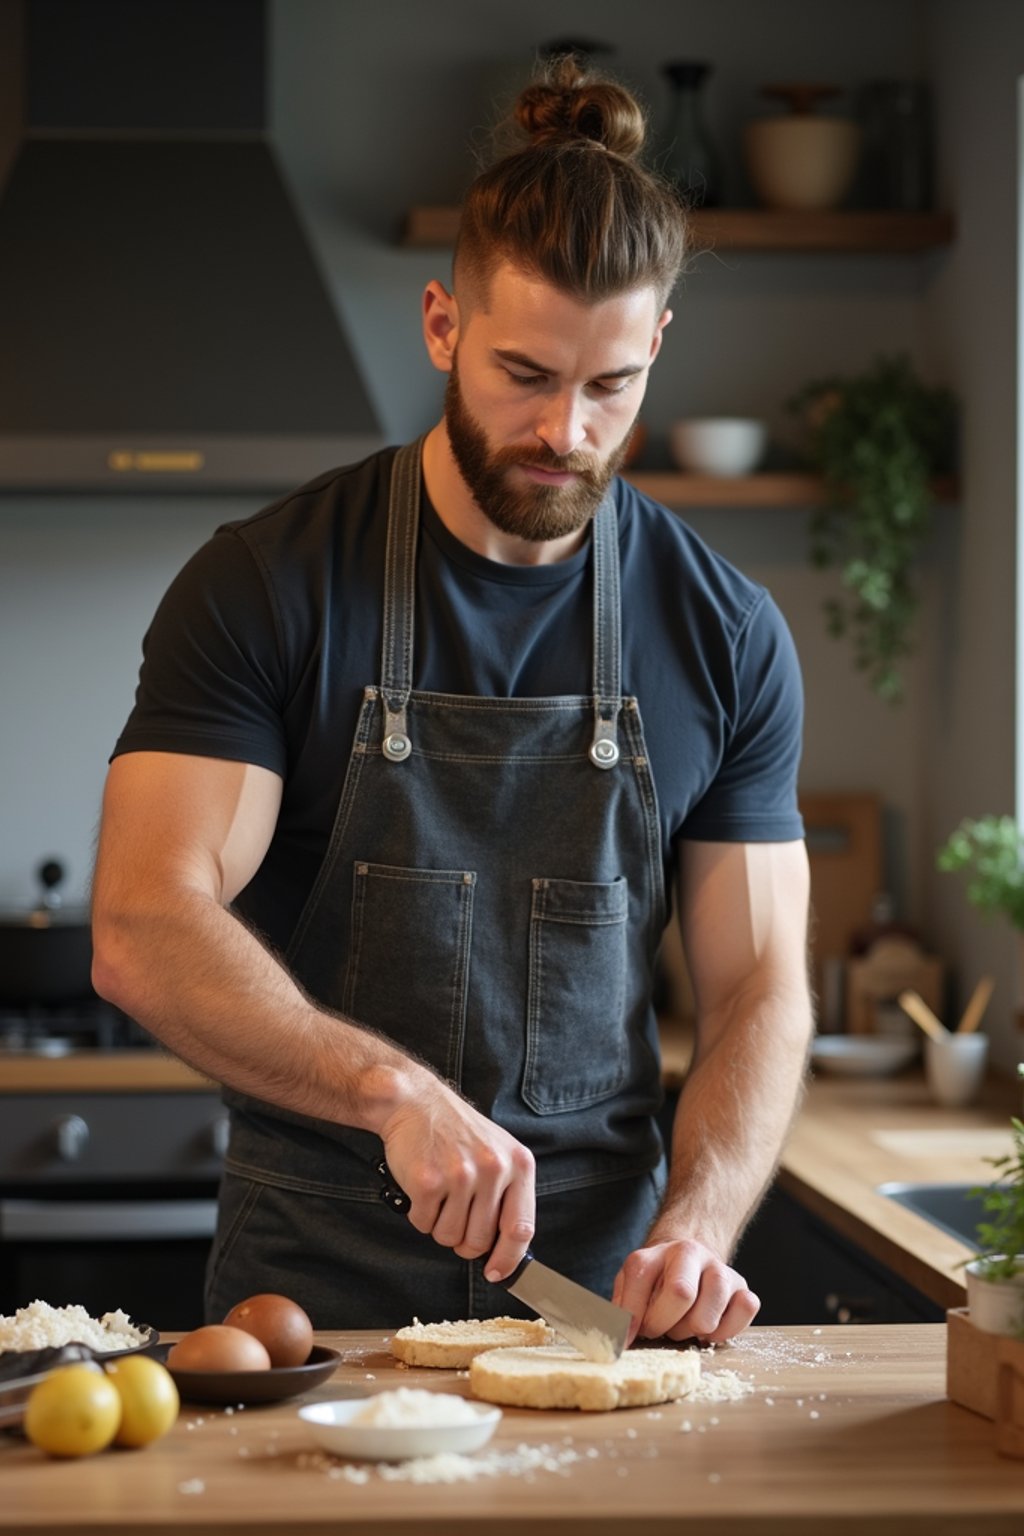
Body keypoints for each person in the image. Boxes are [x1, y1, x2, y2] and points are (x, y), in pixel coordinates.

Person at [91, 56, 813, 1346]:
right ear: (441, 326)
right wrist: (387, 1091)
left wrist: (699, 1224)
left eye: (610, 387)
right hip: (310, 1299)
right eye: (525, 374)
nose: (567, 434)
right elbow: (145, 923)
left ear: (656, 346)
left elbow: (760, 979)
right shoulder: (268, 585)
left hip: (593, 1307)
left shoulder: (727, 634)